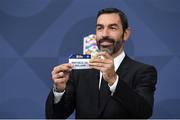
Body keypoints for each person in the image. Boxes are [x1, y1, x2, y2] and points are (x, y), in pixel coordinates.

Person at [45, 8, 157, 119]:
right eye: (100, 28)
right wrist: (59, 91)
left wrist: (114, 80)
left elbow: (144, 112)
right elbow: (54, 117)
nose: (104, 34)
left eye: (112, 28)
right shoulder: (79, 72)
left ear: (126, 33)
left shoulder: (143, 72)